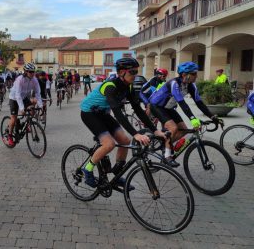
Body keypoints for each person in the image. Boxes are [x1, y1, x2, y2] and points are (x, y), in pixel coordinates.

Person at [80, 58, 168, 188]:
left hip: (102, 113)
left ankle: (117, 172)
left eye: (136, 72)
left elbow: (138, 110)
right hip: (89, 113)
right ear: (121, 72)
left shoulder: (129, 86)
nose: (135, 75)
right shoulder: (110, 86)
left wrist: (154, 130)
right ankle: (87, 169)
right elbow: (118, 113)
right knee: (109, 144)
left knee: (125, 141)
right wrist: (136, 134)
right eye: (132, 72)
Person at [149, 61, 221, 164]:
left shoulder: (191, 86)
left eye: (196, 73)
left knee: (184, 130)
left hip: (168, 108)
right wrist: (193, 119)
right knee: (173, 128)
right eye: (193, 74)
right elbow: (182, 103)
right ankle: (167, 156)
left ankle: (165, 144)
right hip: (157, 106)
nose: (196, 76)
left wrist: (212, 116)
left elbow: (199, 103)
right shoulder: (174, 83)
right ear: (184, 75)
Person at [7, 63, 43, 147]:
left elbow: (38, 93)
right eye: (30, 72)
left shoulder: (34, 80)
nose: (32, 73)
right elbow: (17, 95)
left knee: (32, 110)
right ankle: (9, 136)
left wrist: (41, 106)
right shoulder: (20, 79)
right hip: (14, 98)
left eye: (33, 71)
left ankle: (27, 124)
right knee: (14, 117)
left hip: (24, 97)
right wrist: (22, 108)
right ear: (26, 71)